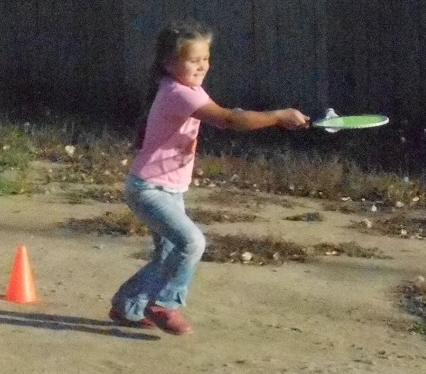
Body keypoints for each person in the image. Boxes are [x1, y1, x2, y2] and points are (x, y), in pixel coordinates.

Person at [109, 20, 309, 335]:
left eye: (205, 58)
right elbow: (229, 120)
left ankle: (127, 306)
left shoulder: (187, 89)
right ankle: (164, 303)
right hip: (149, 190)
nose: (203, 65)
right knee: (191, 242)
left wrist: (263, 117)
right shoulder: (179, 93)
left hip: (169, 189)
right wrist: (277, 116)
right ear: (168, 62)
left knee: (168, 256)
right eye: (194, 60)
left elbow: (225, 113)